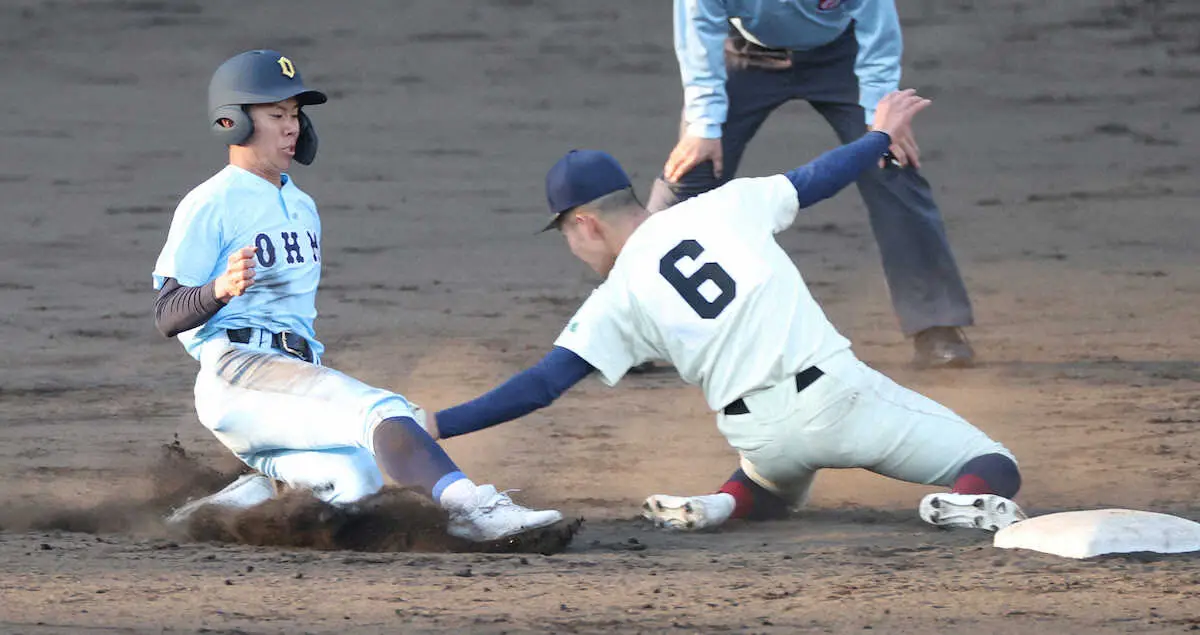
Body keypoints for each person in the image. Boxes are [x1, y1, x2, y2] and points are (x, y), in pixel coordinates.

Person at [422, 90, 1025, 532]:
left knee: (771, 486)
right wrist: (878, 137)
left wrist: (437, 426)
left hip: (758, 436)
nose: (573, 248)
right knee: (993, 461)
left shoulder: (612, 302)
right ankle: (968, 500)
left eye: (566, 234)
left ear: (584, 222)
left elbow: (541, 386)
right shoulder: (723, 206)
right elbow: (817, 178)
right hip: (838, 401)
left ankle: (720, 503)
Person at [151, 49, 561, 542]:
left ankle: (238, 502)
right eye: (275, 115)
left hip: (287, 377)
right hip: (237, 370)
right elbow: (166, 313)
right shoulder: (210, 202)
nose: (292, 128)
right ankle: (471, 507)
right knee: (381, 410)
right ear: (232, 121)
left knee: (355, 482)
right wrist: (218, 289)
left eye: (296, 115)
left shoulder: (301, 205)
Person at [646, 0, 976, 369]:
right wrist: (703, 123)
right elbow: (697, 26)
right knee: (691, 172)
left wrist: (878, 114)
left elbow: (877, 24)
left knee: (892, 163)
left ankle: (936, 324)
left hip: (840, 57)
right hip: (743, 55)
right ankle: (635, 325)